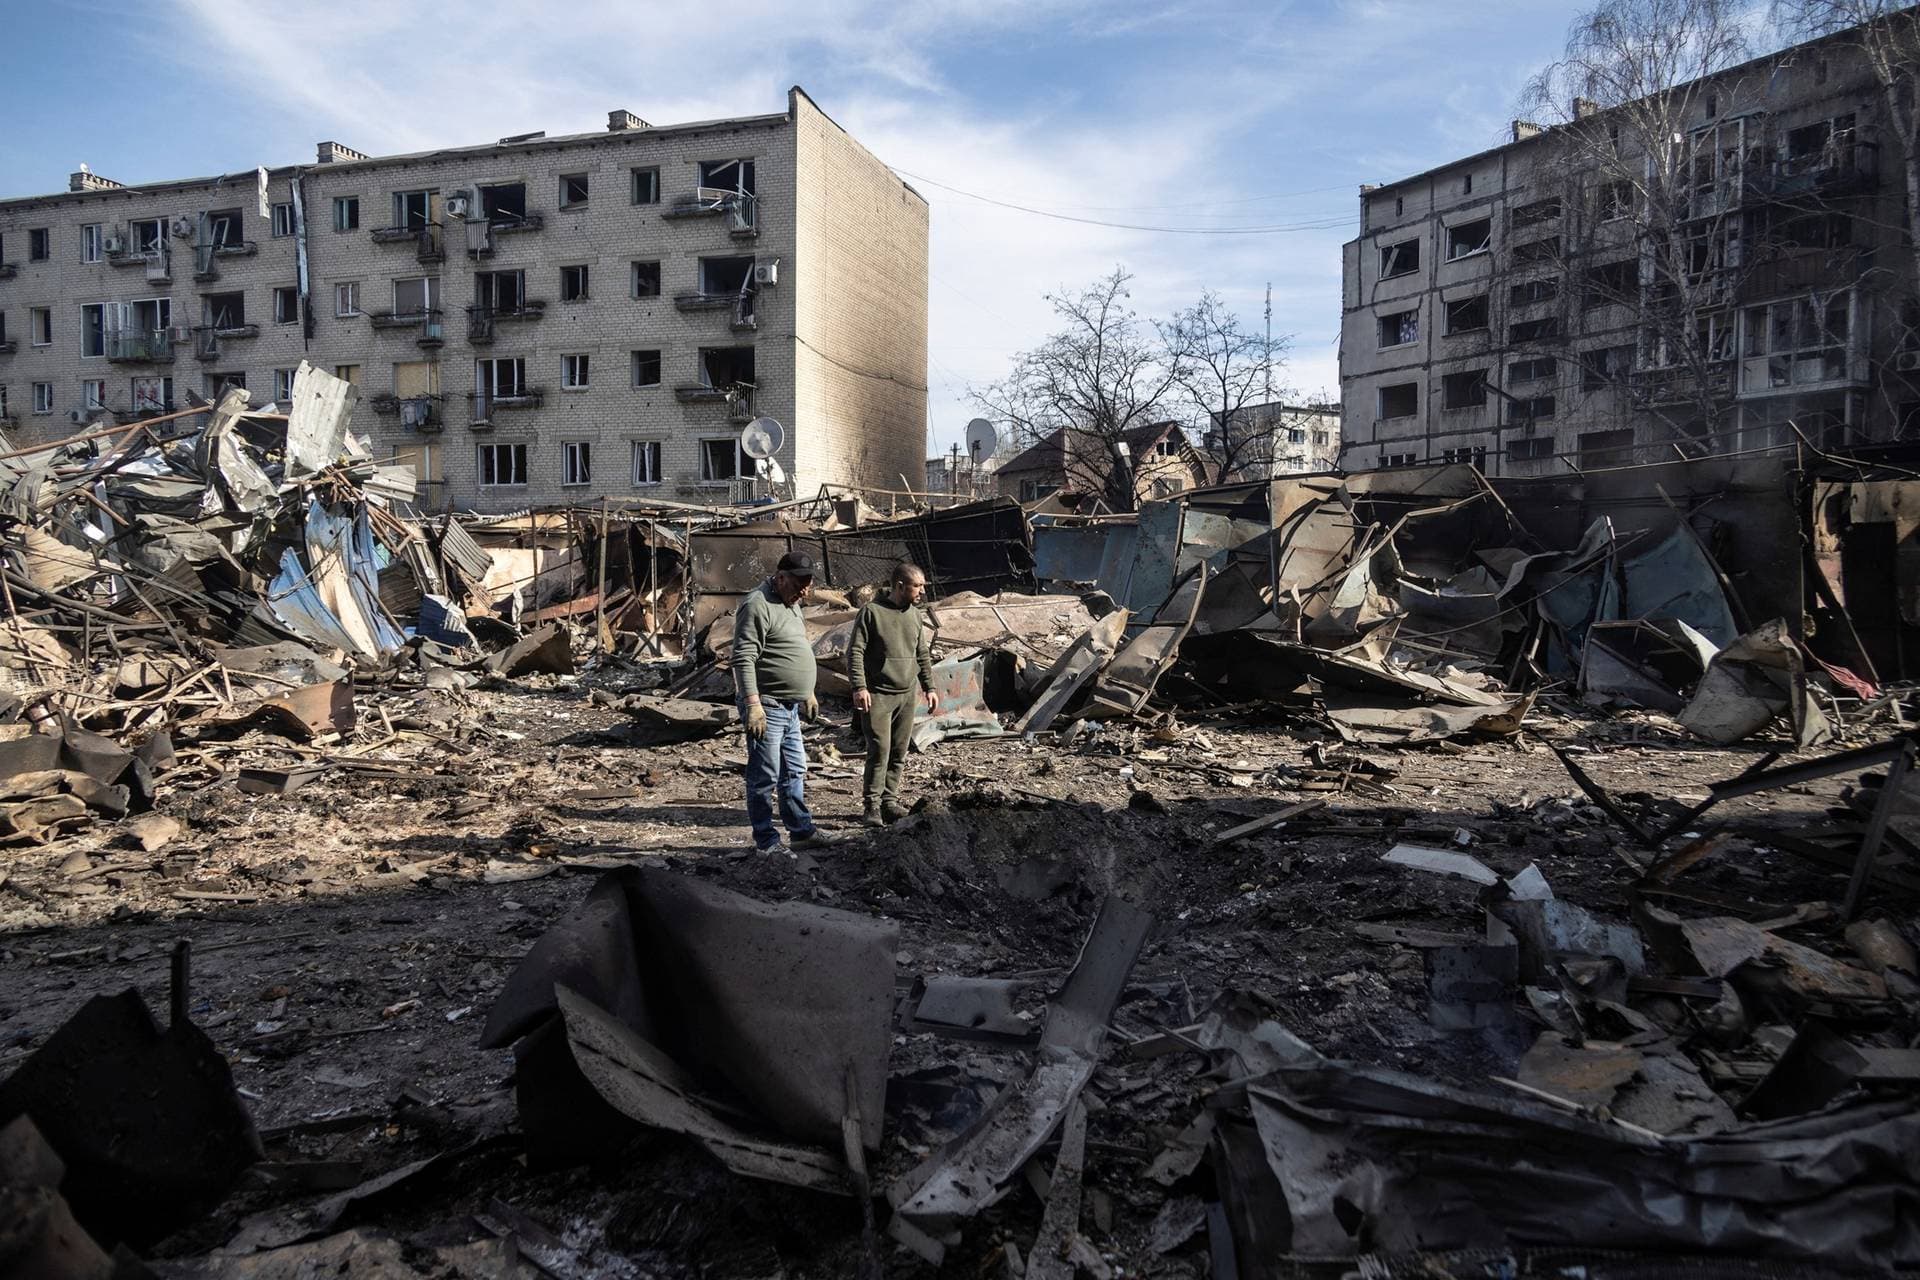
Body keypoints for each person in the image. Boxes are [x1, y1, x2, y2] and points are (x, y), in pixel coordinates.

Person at [732, 550, 831, 853]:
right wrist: (753, 705)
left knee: (794, 771)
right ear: (781, 577)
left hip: (789, 706)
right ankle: (766, 841)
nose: (805, 590)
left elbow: (796, 645)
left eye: (808, 584)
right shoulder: (756, 605)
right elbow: (743, 657)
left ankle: (801, 832)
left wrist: (808, 691)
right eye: (799, 583)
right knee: (765, 776)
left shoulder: (792, 602)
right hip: (767, 705)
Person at [848, 561, 938, 825]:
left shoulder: (914, 615)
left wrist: (929, 687)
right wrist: (859, 687)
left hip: (906, 694)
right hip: (878, 695)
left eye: (923, 586)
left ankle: (889, 802)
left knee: (899, 751)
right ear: (900, 586)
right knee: (879, 751)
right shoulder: (872, 613)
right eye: (917, 586)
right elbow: (855, 651)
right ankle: (872, 807)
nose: (922, 591)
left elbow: (921, 653)